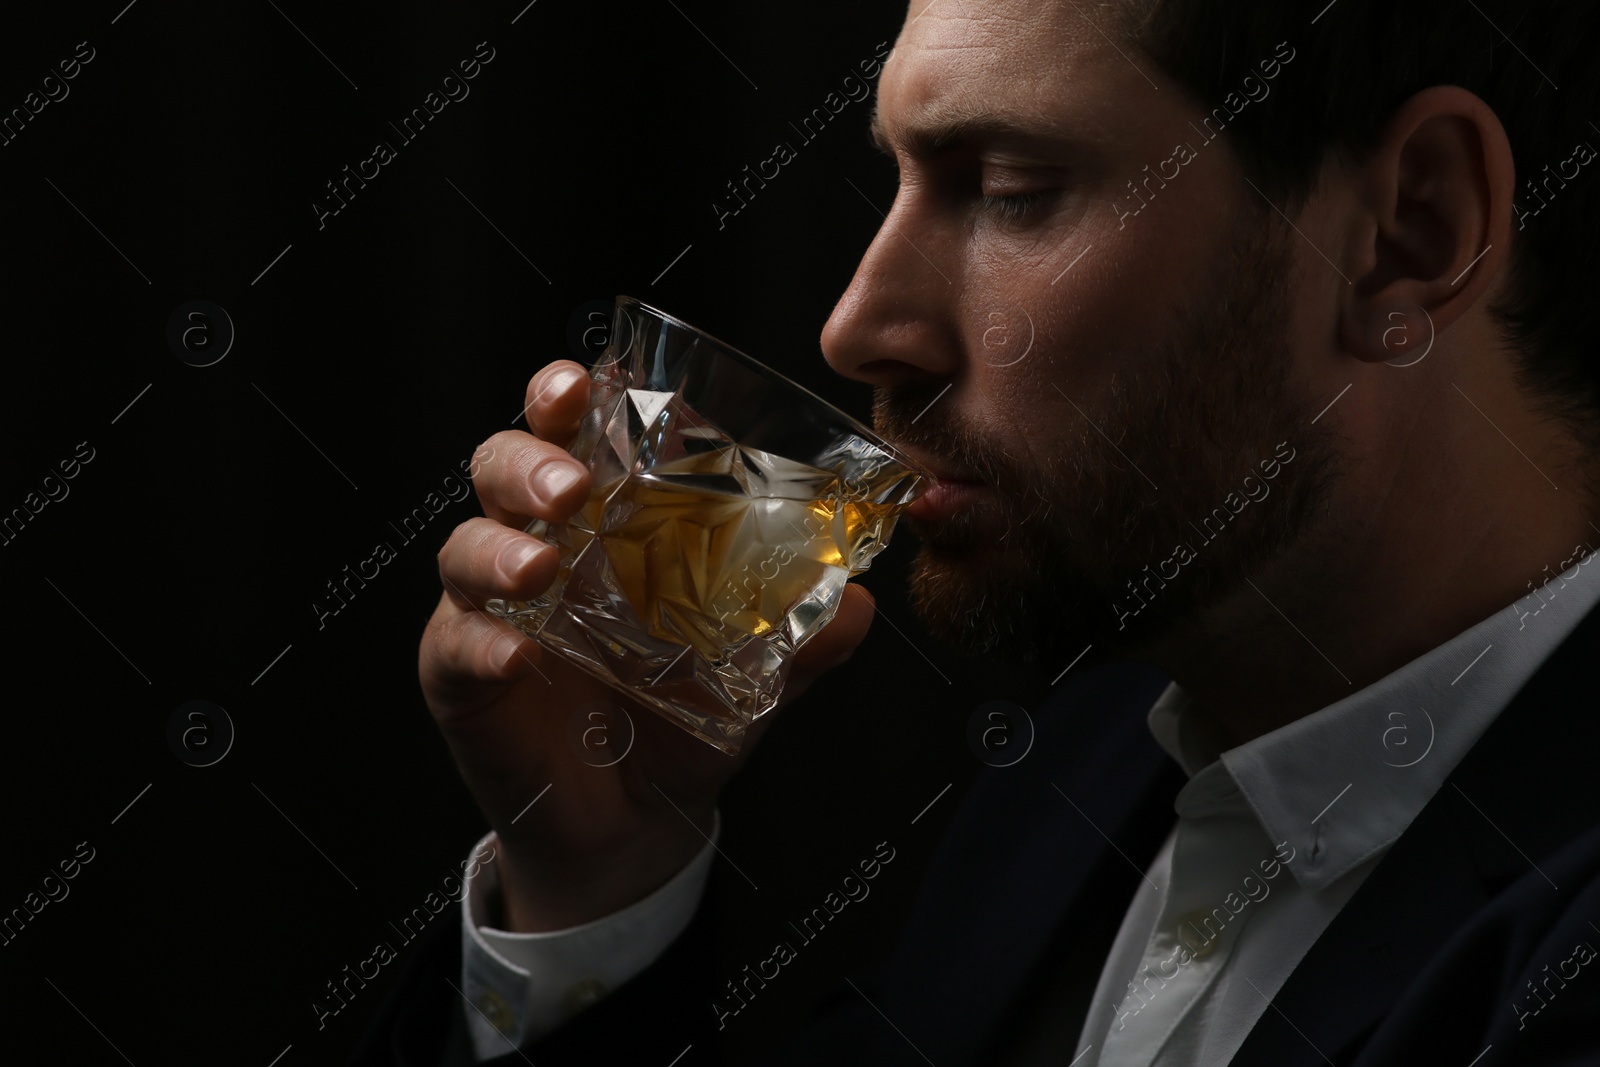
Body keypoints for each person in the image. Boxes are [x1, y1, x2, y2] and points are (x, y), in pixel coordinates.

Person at [355, 0, 1600, 1063]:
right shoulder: (1075, 778)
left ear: (1414, 229)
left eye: (1008, 193)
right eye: (895, 180)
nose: (855, 326)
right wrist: (593, 885)